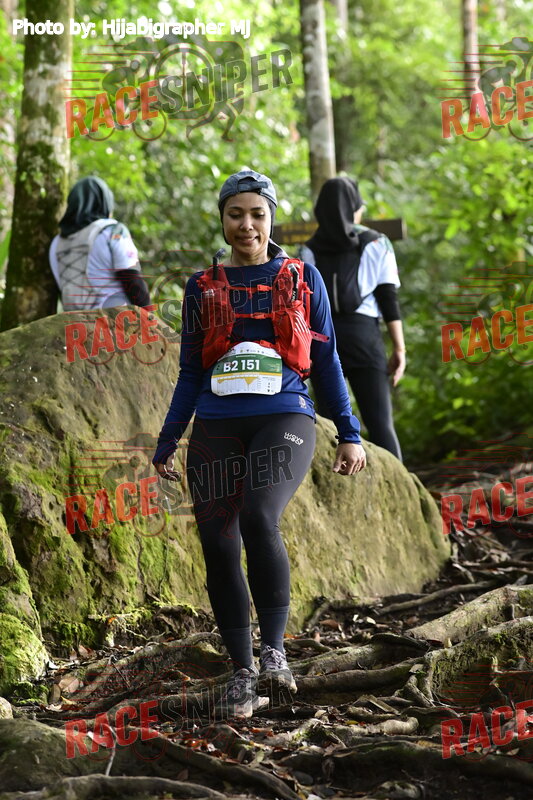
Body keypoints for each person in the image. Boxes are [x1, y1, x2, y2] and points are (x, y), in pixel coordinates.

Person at [152, 169, 366, 719]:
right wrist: (169, 438)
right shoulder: (201, 287)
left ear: (271, 218)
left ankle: (275, 654)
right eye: (236, 214)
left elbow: (326, 360)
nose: (246, 224)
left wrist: (349, 433)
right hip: (216, 422)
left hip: (284, 417)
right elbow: (190, 371)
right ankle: (242, 673)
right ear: (222, 219)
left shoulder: (301, 276)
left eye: (257, 214)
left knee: (257, 514)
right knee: (217, 541)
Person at [302, 177, 405, 461]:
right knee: (380, 423)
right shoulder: (377, 242)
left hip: (322, 338)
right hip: (364, 338)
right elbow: (388, 298)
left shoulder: (309, 249)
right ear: (353, 208)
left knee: (328, 424)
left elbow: (304, 304)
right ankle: (397, 484)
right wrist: (399, 348)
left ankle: (333, 483)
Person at [49, 176, 151, 310]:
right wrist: (150, 316)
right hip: (114, 319)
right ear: (104, 201)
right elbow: (133, 281)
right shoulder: (113, 230)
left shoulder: (56, 243)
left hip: (73, 321)